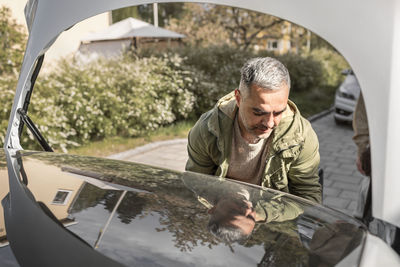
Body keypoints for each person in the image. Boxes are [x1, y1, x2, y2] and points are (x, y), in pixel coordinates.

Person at [185, 57, 321, 203]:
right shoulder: (207, 130)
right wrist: (226, 211)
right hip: (218, 217)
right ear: (238, 99)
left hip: (275, 223)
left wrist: (258, 214)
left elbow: (308, 199)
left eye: (278, 113)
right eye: (258, 112)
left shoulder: (301, 136)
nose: (269, 123)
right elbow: (194, 186)